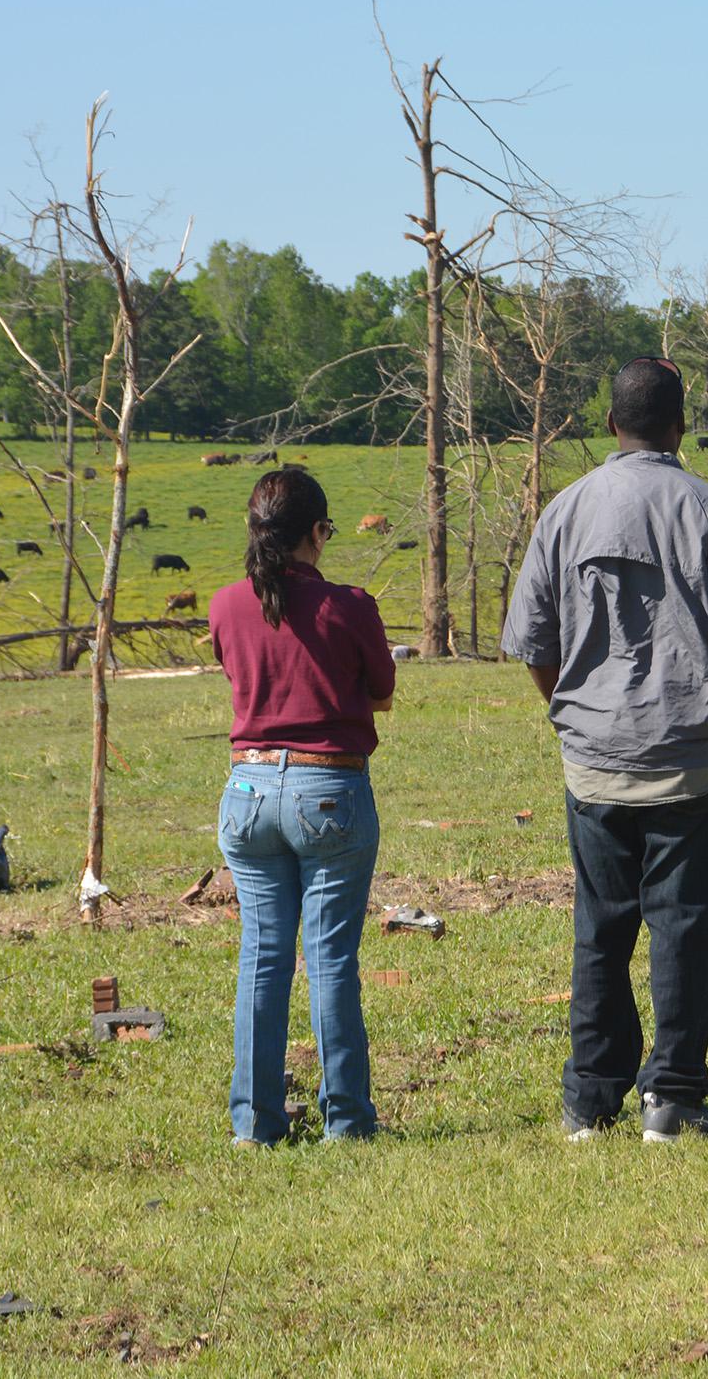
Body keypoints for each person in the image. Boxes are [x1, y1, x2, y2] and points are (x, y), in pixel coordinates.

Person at [502, 356, 708, 1142]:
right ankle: (674, 1097)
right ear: (682, 424)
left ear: (609, 426)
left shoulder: (564, 511)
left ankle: (589, 1102)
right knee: (683, 927)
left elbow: (533, 646)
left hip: (594, 757)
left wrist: (573, 713)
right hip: (692, 755)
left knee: (600, 927)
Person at [210, 469, 396, 1145]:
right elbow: (380, 693)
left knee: (262, 959)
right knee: (330, 962)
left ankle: (254, 1124)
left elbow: (243, 680)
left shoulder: (226, 604)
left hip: (249, 792)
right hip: (329, 789)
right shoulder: (350, 606)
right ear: (317, 532)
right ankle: (345, 1120)